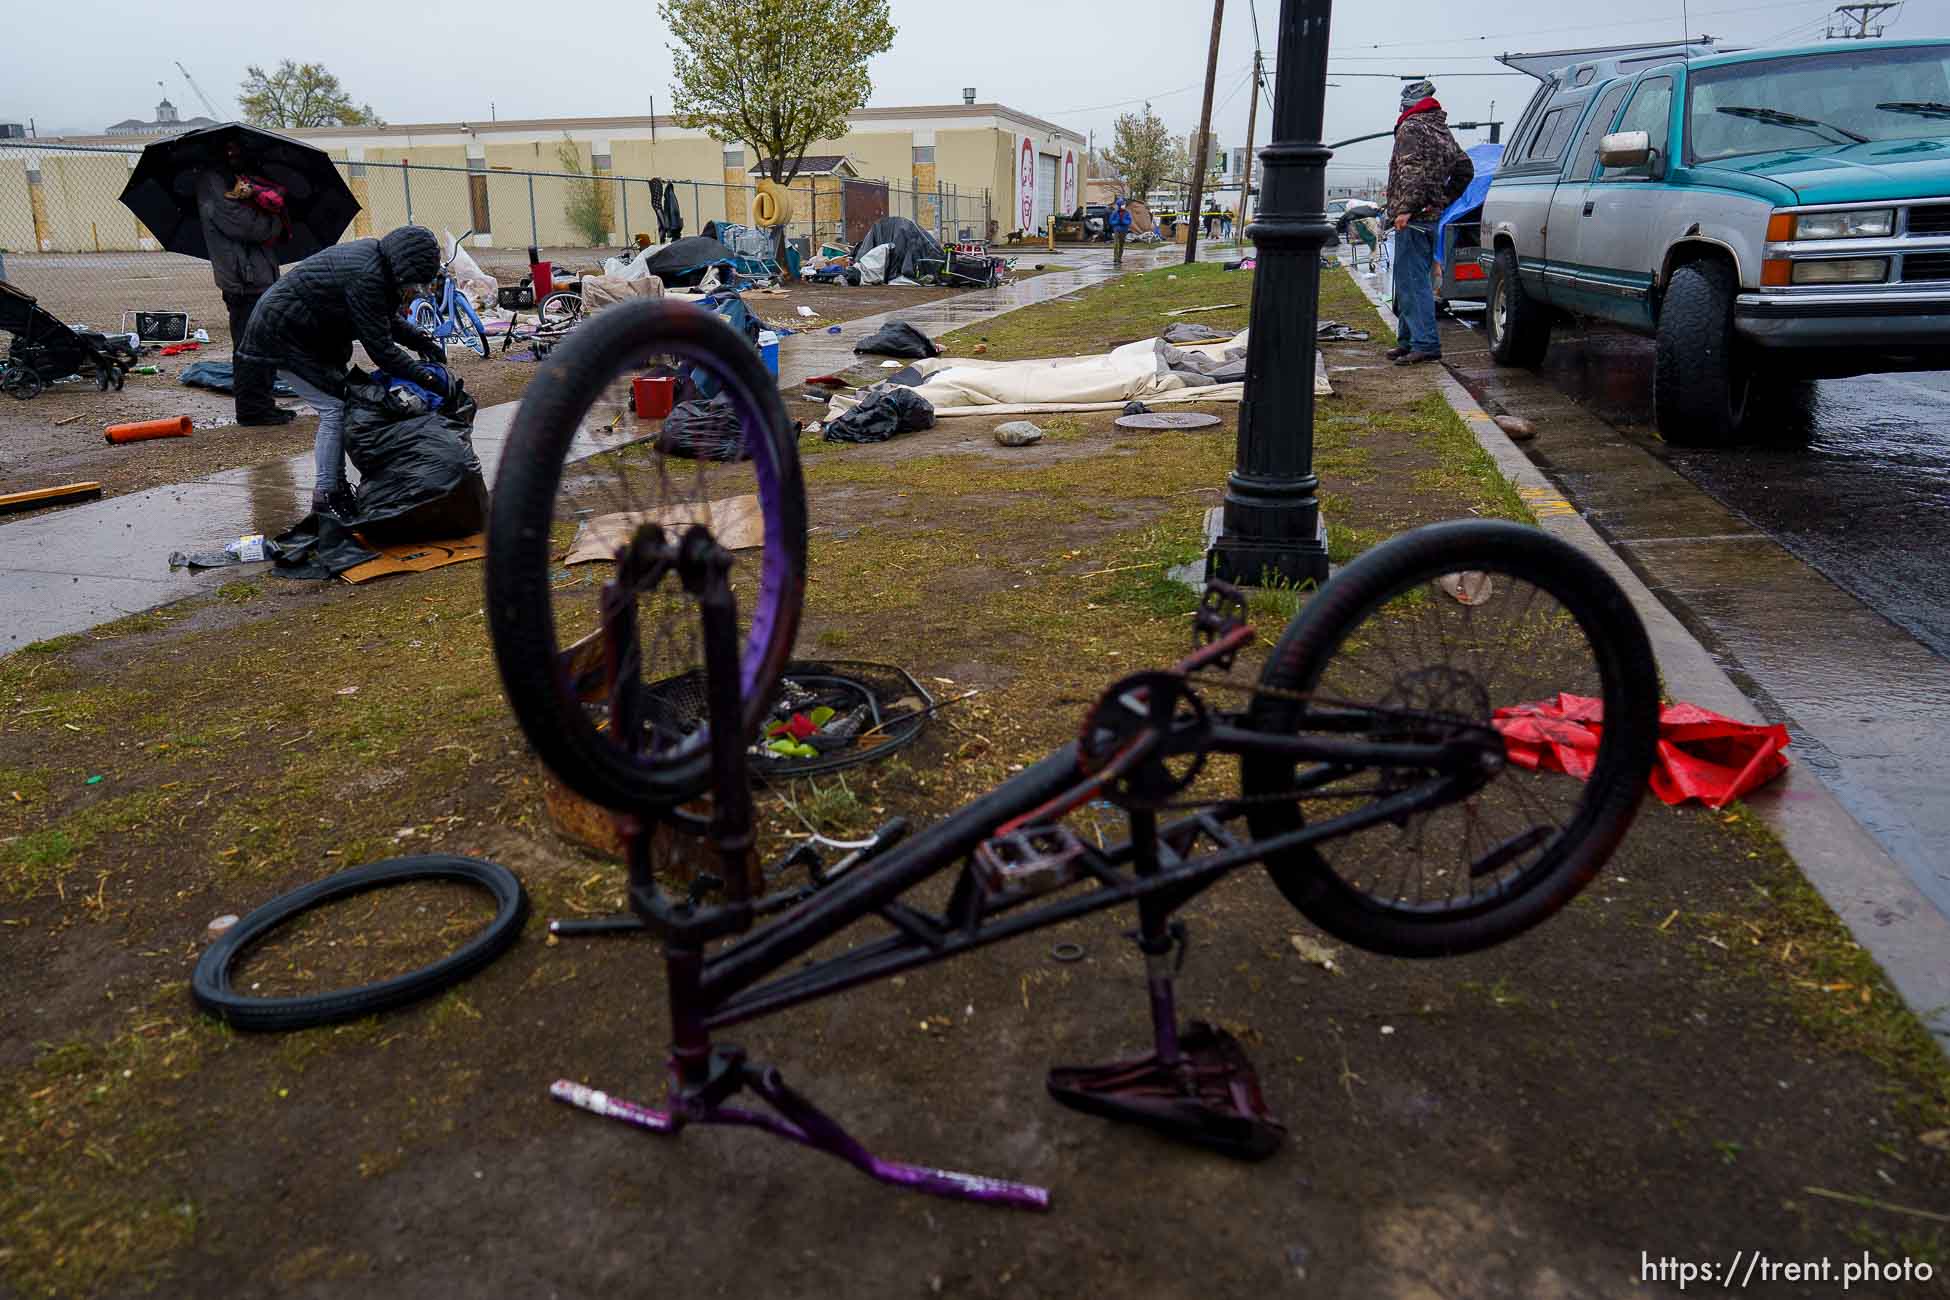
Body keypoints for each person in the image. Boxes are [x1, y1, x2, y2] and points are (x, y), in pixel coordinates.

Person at [237, 225, 448, 519]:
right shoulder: (367, 275)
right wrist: (425, 378)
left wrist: (421, 341)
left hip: (308, 336)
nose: (414, 290)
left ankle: (334, 488)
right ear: (403, 266)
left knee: (340, 403)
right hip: (284, 335)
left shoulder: (379, 265)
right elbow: (381, 349)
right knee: (334, 408)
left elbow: (385, 320)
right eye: (414, 282)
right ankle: (326, 494)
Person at [192, 140, 293, 426]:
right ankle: (252, 408)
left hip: (257, 275)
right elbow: (250, 226)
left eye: (237, 150)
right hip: (243, 280)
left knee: (262, 342)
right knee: (250, 346)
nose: (234, 154)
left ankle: (261, 403)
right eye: (229, 150)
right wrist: (274, 219)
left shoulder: (236, 178)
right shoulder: (213, 181)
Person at [1385, 79, 1463, 366]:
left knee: (1412, 283)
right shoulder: (1441, 129)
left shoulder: (1410, 128)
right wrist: (1444, 200)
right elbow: (1464, 168)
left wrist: (1406, 209)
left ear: (1407, 105)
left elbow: (1412, 172)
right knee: (1412, 280)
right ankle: (1407, 341)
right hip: (1430, 218)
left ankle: (1425, 343)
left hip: (1413, 218)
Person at [1107, 195, 1134, 267]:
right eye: (1122, 204)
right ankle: (1115, 258)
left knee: (1121, 244)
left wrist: (1124, 222)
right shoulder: (1115, 213)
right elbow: (1111, 221)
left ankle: (1119, 258)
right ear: (1119, 205)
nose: (1123, 206)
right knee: (1116, 244)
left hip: (1124, 230)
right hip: (1117, 229)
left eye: (1124, 204)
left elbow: (1129, 221)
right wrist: (1117, 222)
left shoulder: (1127, 213)